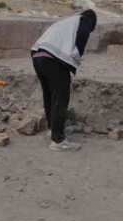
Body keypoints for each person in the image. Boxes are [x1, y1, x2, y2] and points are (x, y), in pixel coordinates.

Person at [30, 9, 98, 152]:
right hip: (53, 60)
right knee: (60, 99)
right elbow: (83, 32)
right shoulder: (84, 20)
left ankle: (53, 130)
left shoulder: (65, 22)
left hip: (37, 56)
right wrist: (76, 56)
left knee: (49, 96)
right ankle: (59, 141)